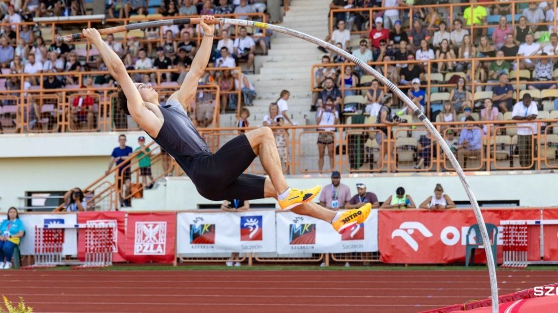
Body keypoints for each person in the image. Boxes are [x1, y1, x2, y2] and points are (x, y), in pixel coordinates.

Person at [83, 16, 371, 233]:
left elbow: (196, 72)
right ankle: (285, 194)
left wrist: (208, 35)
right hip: (206, 170)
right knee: (264, 135)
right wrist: (97, 41)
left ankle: (334, 219)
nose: (146, 83)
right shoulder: (147, 116)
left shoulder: (173, 104)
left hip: (211, 180)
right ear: (136, 98)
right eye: (141, 85)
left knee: (274, 187)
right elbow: (120, 71)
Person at [221, 198, 249, 267]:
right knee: (235, 241)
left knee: (239, 240)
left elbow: (246, 207)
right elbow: (222, 207)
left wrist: (236, 210)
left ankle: (233, 259)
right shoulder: (230, 197)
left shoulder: (245, 197)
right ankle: (235, 260)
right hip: (232, 221)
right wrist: (231, 210)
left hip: (241, 221)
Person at [107, 134, 133, 207]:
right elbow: (112, 161)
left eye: (123, 139)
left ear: (125, 140)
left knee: (128, 186)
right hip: (118, 172)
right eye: (121, 139)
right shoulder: (115, 150)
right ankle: (121, 204)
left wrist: (120, 157)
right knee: (119, 190)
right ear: (119, 141)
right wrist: (108, 170)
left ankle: (126, 200)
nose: (122, 141)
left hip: (127, 171)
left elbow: (129, 158)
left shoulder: (129, 148)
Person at [316, 96, 338, 173]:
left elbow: (336, 123)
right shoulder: (320, 110)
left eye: (330, 101)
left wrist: (334, 113)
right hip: (322, 132)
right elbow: (318, 122)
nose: (329, 103)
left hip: (330, 133)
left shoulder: (335, 111)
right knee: (321, 154)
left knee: (331, 154)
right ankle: (320, 171)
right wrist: (322, 112)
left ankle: (332, 171)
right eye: (327, 101)